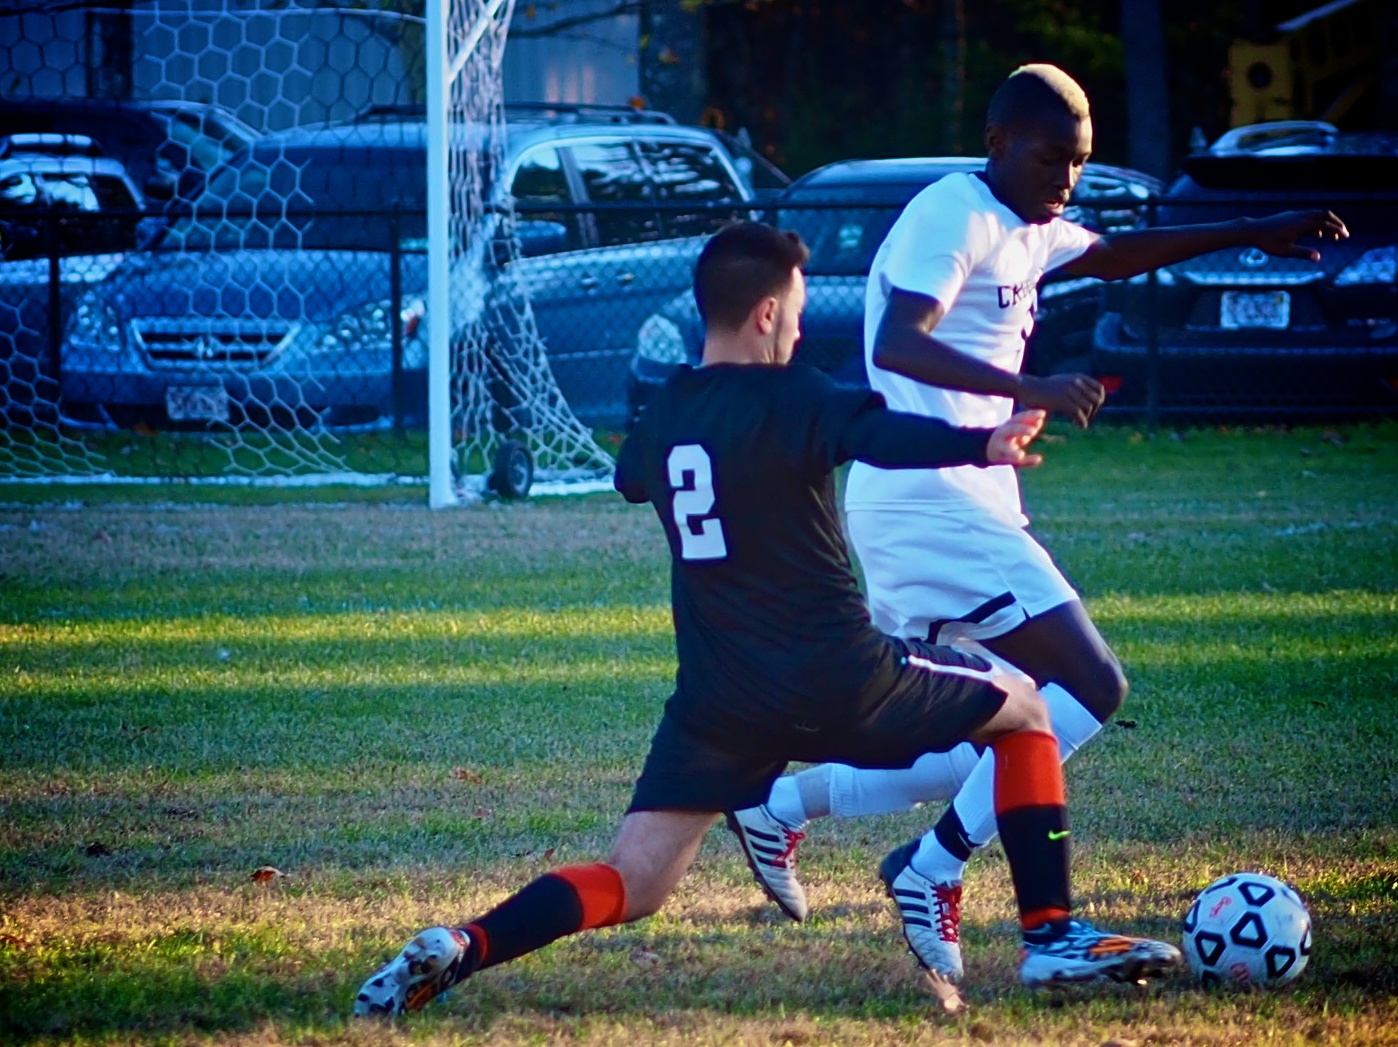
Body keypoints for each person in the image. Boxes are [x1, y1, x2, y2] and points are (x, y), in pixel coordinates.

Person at [353, 223, 1181, 1019]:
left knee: (634, 880)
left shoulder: (669, 409)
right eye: (795, 311)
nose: (796, 329)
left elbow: (631, 477)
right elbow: (878, 432)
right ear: (766, 313)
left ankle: (464, 944)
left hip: (719, 703)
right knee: (1029, 706)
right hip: (841, 676)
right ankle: (1051, 936)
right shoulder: (795, 394)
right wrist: (981, 444)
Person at [726, 63, 1349, 983]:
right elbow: (898, 340)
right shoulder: (957, 213)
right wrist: (1032, 386)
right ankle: (952, 879)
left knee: (988, 737)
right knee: (1089, 684)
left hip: (941, 500)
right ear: (999, 143)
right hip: (933, 496)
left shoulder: (1030, 223)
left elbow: (1110, 253)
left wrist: (1253, 229)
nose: (1067, 178)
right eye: (1052, 157)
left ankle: (781, 806)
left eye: (1080, 161)